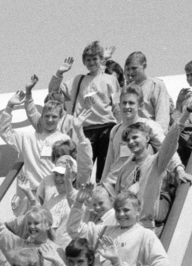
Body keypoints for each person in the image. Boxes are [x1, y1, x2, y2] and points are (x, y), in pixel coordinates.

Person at [48, 41, 121, 181]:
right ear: (84, 61)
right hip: (86, 130)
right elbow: (53, 90)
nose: (91, 62)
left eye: (95, 59)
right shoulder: (78, 80)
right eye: (88, 59)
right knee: (83, 171)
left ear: (101, 59)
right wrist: (60, 72)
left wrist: (121, 127)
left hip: (107, 127)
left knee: (104, 172)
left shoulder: (110, 79)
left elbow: (117, 106)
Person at [102, 123, 191, 225]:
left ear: (147, 138)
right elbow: (118, 199)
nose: (131, 142)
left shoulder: (156, 162)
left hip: (151, 220)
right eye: (128, 140)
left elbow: (170, 142)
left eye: (135, 137)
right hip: (130, 222)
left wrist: (186, 113)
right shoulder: (124, 170)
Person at [101, 86, 167, 185]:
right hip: (112, 183)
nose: (127, 106)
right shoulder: (115, 130)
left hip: (135, 184)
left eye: (131, 103)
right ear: (119, 105)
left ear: (140, 106)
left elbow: (167, 148)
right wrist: (102, 183)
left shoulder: (149, 126)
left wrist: (179, 169)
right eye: (124, 103)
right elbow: (109, 161)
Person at [123, 51, 174, 130]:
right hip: (132, 135)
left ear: (144, 66)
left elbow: (162, 115)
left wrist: (159, 136)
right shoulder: (128, 89)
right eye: (128, 69)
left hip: (151, 133)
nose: (131, 72)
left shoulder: (156, 85)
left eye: (134, 68)